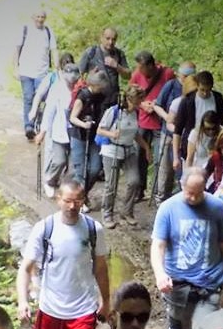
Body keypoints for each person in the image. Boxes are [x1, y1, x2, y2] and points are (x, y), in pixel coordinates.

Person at [16, 181, 111, 329]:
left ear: (83, 201)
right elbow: (26, 268)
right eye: (67, 201)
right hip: (50, 309)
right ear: (58, 199)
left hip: (84, 309)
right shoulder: (45, 228)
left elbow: (101, 269)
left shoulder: (93, 230)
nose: (72, 206)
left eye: (77, 201)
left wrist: (106, 301)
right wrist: (23, 301)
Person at [150, 166, 223, 329]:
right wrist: (160, 274)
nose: (193, 198)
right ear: (182, 186)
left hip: (211, 285)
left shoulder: (217, 207)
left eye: (198, 193)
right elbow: (158, 246)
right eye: (189, 193)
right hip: (179, 288)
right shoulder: (168, 208)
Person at [96, 83, 152, 229]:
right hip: (111, 150)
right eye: (139, 100)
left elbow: (135, 134)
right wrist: (112, 134)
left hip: (128, 150)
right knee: (111, 184)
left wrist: (146, 147)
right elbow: (100, 130)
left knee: (134, 181)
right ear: (130, 99)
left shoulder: (135, 113)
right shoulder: (114, 112)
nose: (141, 103)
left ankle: (127, 211)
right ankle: (107, 213)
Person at [149, 60, 197, 205]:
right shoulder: (171, 85)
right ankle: (161, 196)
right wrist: (167, 119)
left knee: (181, 167)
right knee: (165, 167)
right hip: (168, 132)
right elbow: (157, 105)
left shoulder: (195, 90)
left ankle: (176, 196)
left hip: (185, 136)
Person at [129, 50, 175, 202]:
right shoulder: (137, 75)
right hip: (143, 120)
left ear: (150, 65)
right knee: (140, 157)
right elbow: (130, 94)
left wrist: (156, 104)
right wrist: (142, 104)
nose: (139, 71)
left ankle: (156, 192)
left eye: (142, 67)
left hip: (159, 123)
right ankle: (139, 190)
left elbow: (173, 94)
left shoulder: (166, 74)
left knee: (158, 159)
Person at [32, 58, 80, 197]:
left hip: (75, 132)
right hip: (59, 130)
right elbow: (49, 112)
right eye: (69, 75)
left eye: (75, 76)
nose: (72, 79)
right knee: (59, 161)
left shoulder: (80, 89)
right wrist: (43, 132)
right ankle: (50, 181)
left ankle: (67, 188)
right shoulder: (57, 89)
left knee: (73, 164)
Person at [68, 68, 109, 210]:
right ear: (96, 85)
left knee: (95, 168)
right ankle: (78, 200)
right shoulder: (82, 96)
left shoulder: (101, 96)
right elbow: (72, 117)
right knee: (81, 171)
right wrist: (83, 124)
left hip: (93, 136)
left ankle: (81, 194)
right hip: (79, 136)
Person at [13, 10, 57, 140]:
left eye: (43, 17)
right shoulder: (25, 30)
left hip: (42, 73)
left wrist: (57, 67)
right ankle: (29, 126)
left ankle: (38, 121)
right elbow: (16, 49)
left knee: (42, 98)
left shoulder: (48, 32)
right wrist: (15, 68)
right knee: (28, 97)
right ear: (33, 17)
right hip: (26, 71)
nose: (40, 19)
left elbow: (54, 50)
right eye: (38, 16)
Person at [172, 70, 223, 170]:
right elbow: (178, 130)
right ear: (197, 85)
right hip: (192, 144)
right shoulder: (188, 102)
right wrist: (175, 157)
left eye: (208, 90)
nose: (205, 93)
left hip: (214, 145)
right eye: (202, 89)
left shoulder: (218, 100)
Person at [78, 27, 130, 108]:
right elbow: (79, 75)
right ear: (101, 38)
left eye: (114, 39)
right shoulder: (91, 52)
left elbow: (128, 76)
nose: (110, 42)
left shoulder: (119, 54)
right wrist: (90, 78)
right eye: (108, 38)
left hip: (113, 100)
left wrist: (117, 66)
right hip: (95, 100)